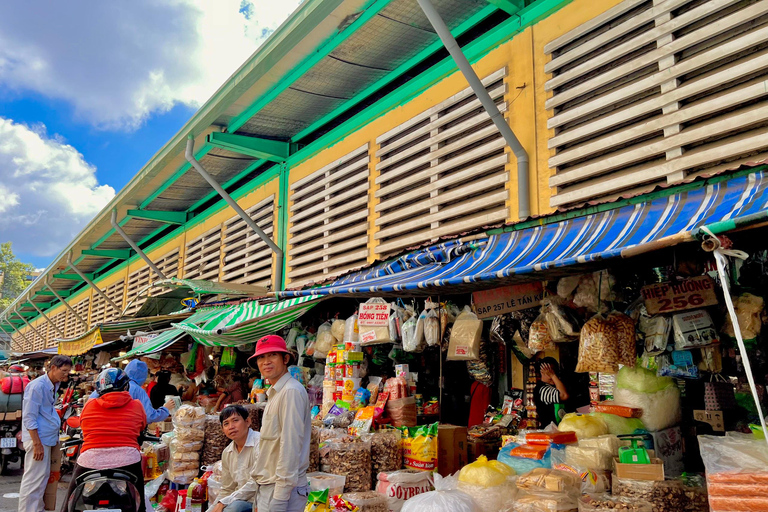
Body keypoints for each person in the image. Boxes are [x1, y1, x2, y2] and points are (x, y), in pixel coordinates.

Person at [62, 367, 147, 512]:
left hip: (90, 461)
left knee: (71, 496)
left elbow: (82, 424)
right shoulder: (137, 405)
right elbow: (141, 427)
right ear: (126, 386)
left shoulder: (89, 405)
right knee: (139, 501)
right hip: (128, 461)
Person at [248, 335, 310, 512]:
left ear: (285, 359)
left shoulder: (290, 392)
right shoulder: (275, 393)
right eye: (261, 357)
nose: (266, 361)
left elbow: (290, 446)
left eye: (272, 355)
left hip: (283, 490)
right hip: (270, 487)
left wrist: (280, 498)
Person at [19, 355, 72, 512]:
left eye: (68, 372)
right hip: (38, 439)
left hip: (45, 438)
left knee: (41, 479)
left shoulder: (52, 384)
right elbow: (29, 416)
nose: (66, 375)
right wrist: (37, 444)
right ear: (53, 368)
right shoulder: (37, 386)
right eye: (64, 371)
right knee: (34, 480)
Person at [208, 405, 261, 512]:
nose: (231, 426)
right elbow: (227, 489)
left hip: (260, 499)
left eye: (235, 420)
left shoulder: (260, 443)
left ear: (248, 422)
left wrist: (224, 502)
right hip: (237, 499)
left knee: (234, 508)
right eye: (226, 424)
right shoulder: (227, 452)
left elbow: (257, 482)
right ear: (222, 429)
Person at [89, 360, 174, 424]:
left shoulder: (104, 387)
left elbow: (89, 405)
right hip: (126, 436)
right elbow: (149, 416)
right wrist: (165, 409)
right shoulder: (138, 390)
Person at [534, 357, 570, 428]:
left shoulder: (555, 385)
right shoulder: (543, 389)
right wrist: (552, 376)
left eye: (554, 371)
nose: (554, 373)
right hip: (550, 431)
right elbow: (564, 395)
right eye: (550, 371)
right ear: (542, 371)